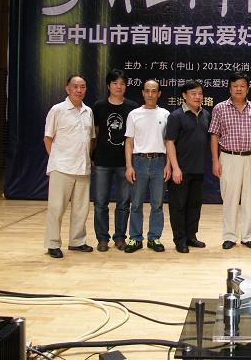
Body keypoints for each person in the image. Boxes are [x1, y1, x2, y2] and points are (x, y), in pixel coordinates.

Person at [43, 75, 96, 258]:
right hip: (62, 167)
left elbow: (91, 139)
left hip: (83, 166)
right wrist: (56, 159)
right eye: (75, 86)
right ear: (68, 89)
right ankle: (52, 243)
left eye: (82, 86)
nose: (79, 90)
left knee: (81, 208)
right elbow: (47, 138)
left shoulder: (88, 111)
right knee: (56, 208)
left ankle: (77, 241)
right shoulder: (57, 110)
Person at [209, 72, 251, 250]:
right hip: (228, 157)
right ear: (230, 88)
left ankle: (247, 236)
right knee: (229, 198)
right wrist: (215, 161)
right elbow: (214, 136)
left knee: (250, 198)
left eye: (242, 86)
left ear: (247, 89)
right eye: (235, 86)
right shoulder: (220, 108)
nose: (239, 89)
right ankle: (229, 236)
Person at [91, 69, 139, 252]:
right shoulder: (99, 106)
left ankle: (120, 237)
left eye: (122, 84)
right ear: (108, 86)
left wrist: (131, 163)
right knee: (100, 203)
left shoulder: (132, 107)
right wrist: (92, 155)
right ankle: (102, 238)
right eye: (115, 83)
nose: (119, 87)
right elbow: (95, 133)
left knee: (124, 203)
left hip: (124, 163)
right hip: (103, 161)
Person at [124, 79, 171, 253]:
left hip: (159, 162)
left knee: (157, 204)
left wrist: (168, 165)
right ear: (143, 93)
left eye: (154, 91)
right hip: (139, 162)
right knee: (136, 203)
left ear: (159, 93)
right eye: (147, 91)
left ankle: (154, 238)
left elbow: (169, 142)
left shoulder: (165, 114)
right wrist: (129, 166)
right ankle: (135, 238)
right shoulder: (134, 114)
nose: (150, 94)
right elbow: (129, 142)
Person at [165, 80, 211, 253]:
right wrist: (175, 168)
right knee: (178, 206)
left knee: (194, 206)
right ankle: (180, 240)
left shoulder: (206, 115)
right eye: (193, 94)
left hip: (198, 169)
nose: (197, 97)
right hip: (181, 170)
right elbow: (170, 143)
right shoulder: (176, 116)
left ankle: (191, 236)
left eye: (200, 93)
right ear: (184, 96)